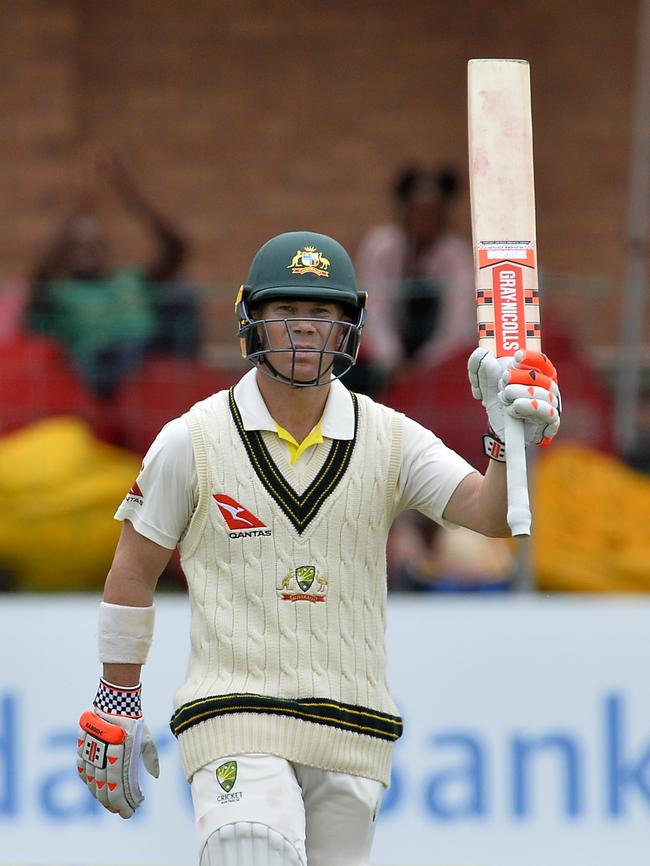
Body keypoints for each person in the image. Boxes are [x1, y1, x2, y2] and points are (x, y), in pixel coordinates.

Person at [76, 230, 561, 866]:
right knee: (247, 848)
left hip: (354, 729)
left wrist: (505, 441)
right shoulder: (190, 440)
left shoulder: (389, 437)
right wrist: (118, 696)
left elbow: (491, 515)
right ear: (252, 319)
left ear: (348, 326)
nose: (305, 331)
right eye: (287, 314)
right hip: (233, 715)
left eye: (323, 315)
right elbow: (132, 571)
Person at [27, 149, 197, 398]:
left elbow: (176, 249)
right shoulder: (61, 293)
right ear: (66, 252)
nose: (89, 252)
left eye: (95, 245)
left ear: (107, 250)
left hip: (146, 352)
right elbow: (40, 274)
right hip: (98, 363)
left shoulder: (130, 278)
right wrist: (83, 201)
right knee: (116, 353)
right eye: (79, 246)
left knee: (180, 292)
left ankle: (186, 381)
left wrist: (128, 192)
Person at [351, 164, 476, 394]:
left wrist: (423, 367)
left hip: (437, 364)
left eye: (432, 211)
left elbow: (457, 323)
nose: (423, 219)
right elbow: (374, 308)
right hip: (383, 363)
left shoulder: (456, 254)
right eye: (417, 210)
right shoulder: (381, 247)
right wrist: (392, 360)